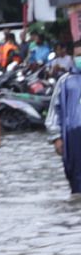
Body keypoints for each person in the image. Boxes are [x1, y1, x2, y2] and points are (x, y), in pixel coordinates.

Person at [46, 37, 81, 194]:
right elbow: (54, 110)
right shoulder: (65, 81)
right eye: (78, 55)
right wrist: (56, 137)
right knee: (75, 176)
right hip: (73, 137)